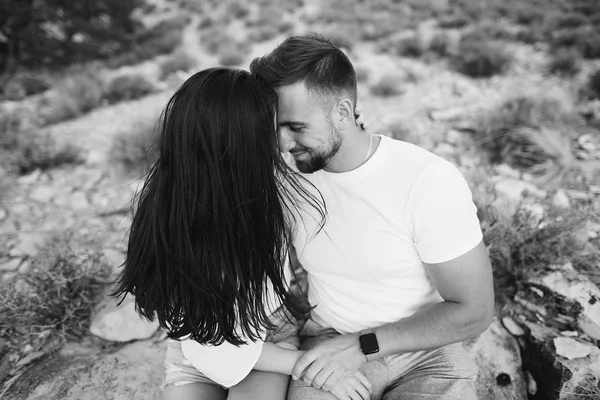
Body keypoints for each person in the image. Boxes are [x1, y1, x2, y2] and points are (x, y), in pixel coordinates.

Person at [249, 34, 495, 400]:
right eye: (276, 129)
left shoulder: (426, 180)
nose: (284, 144)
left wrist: (362, 346)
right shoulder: (286, 181)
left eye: (296, 127)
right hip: (328, 344)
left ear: (343, 112)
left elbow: (474, 310)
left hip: (423, 350)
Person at [111, 67, 373, 400]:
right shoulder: (169, 217)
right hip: (201, 347)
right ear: (240, 144)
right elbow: (213, 351)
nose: (281, 142)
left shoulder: (269, 195)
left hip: (269, 340)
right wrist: (308, 367)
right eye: (271, 129)